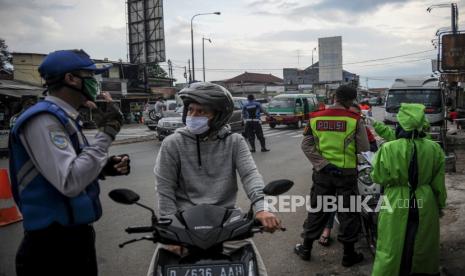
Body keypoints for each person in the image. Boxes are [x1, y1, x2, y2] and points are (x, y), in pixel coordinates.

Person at [8, 49, 131, 276]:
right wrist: (106, 134)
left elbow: (69, 167)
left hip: (73, 238)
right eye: (90, 76)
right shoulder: (44, 120)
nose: (95, 82)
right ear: (71, 79)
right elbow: (71, 181)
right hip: (52, 248)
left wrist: (102, 168)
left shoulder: (63, 117)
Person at [153, 82, 281, 276]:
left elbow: (251, 176)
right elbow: (164, 188)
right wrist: (170, 231)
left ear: (218, 115)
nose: (193, 116)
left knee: (257, 271)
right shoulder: (173, 143)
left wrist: (262, 208)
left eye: (202, 112)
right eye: (191, 110)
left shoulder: (235, 141)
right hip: (182, 228)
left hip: (227, 227)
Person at [295, 85, 369, 267]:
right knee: (349, 212)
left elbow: (306, 146)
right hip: (347, 174)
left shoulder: (315, 117)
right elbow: (364, 148)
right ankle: (348, 255)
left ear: (335, 97)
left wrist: (324, 164)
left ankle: (306, 248)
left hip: (323, 174)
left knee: (318, 210)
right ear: (351, 100)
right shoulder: (354, 119)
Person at [370, 103, 446, 276]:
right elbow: (438, 183)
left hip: (396, 199)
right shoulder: (434, 148)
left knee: (392, 242)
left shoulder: (389, 148)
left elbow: (378, 177)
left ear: (401, 123)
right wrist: (440, 205)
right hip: (425, 201)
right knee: (423, 243)